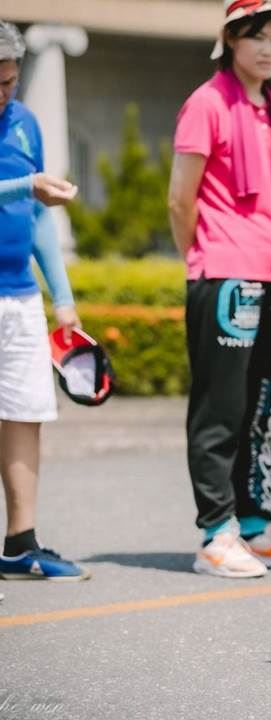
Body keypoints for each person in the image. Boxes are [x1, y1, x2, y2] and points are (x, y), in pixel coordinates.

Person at [168, 0, 271, 578]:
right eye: (258, 36)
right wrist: (202, 256)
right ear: (231, 40)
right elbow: (182, 198)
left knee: (261, 408)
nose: (269, 48)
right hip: (224, 272)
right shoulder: (206, 103)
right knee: (220, 409)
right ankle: (215, 533)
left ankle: (252, 524)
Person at [0, 20, 87, 580]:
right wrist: (24, 186)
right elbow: (26, 192)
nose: (3, 93)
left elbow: (37, 219)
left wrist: (64, 299)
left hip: (21, 296)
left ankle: (18, 544)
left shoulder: (25, 122)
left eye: (8, 81)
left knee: (25, 414)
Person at [0, 172, 77, 207]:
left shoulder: (34, 139)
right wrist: (29, 186)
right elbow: (34, 186)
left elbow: (38, 205)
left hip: (27, 238)